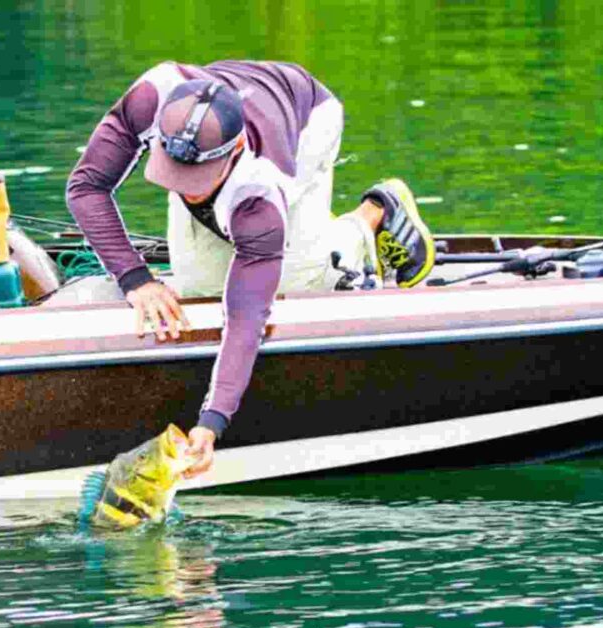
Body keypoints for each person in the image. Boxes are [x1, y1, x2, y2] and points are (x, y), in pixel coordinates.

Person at [66, 60, 436, 478]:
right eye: (174, 173)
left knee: (298, 287)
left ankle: (373, 215)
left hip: (307, 119)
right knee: (197, 289)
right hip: (219, 119)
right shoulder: (152, 97)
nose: (182, 189)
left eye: (196, 178)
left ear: (234, 151)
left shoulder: (262, 192)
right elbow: (86, 187)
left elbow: (246, 316)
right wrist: (136, 280)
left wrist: (212, 421)